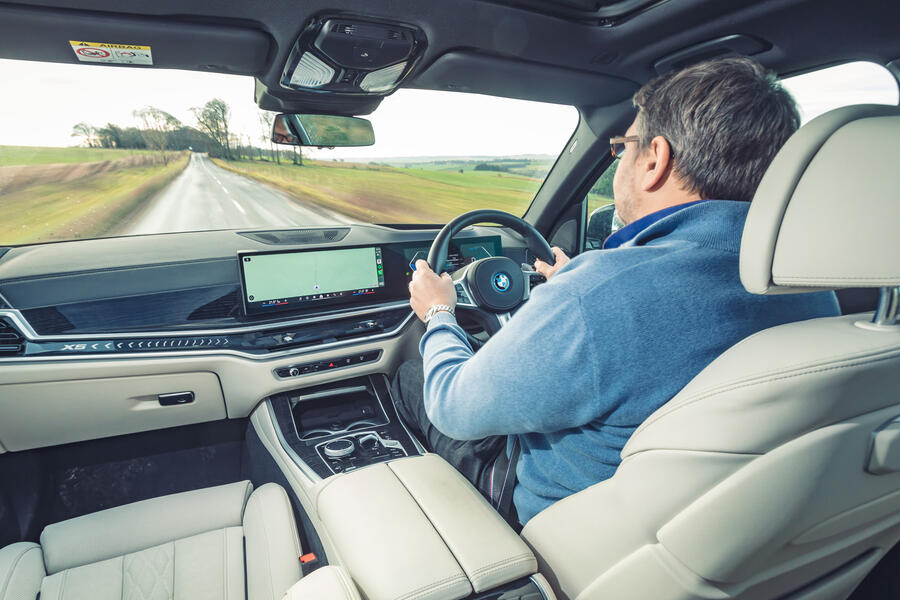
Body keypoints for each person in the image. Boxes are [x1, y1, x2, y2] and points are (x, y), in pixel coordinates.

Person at [395, 57, 841, 526]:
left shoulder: (595, 295)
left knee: (413, 376)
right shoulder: (811, 289)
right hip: (730, 525)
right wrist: (576, 287)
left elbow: (452, 405)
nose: (622, 159)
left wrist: (441, 311)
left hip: (566, 531)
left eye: (623, 146)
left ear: (655, 159)